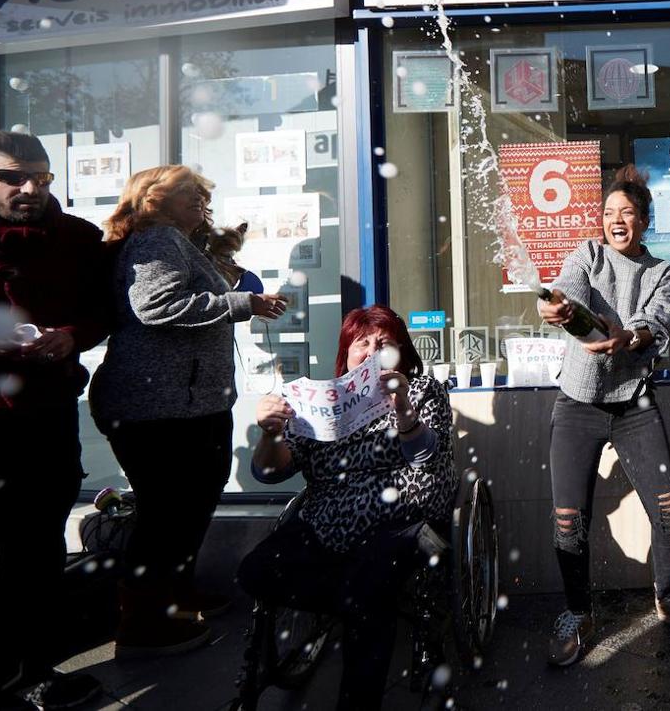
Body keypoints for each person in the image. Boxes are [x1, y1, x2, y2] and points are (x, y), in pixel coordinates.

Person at [90, 166, 285, 657]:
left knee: (191, 501)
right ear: (155, 200)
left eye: (202, 194)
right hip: (155, 406)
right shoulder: (157, 240)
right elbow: (155, 305)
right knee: (166, 513)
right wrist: (243, 303)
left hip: (185, 403)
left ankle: (176, 595)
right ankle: (142, 625)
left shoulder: (174, 240)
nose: (201, 201)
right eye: (189, 195)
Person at [238, 305, 455, 711]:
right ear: (347, 354)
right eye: (362, 344)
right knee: (254, 571)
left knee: (369, 589)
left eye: (384, 344)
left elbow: (425, 454)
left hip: (400, 520)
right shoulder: (323, 400)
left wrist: (402, 406)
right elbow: (270, 472)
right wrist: (270, 434)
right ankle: (353, 601)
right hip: (326, 521)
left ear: (401, 355)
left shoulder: (422, 390)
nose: (372, 352)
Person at [536, 164, 670, 667]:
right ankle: (576, 612)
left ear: (643, 221)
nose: (617, 220)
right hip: (578, 404)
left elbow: (656, 321)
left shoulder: (661, 272)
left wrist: (629, 336)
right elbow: (567, 289)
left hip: (634, 401)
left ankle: (668, 595)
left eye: (627, 213)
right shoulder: (586, 255)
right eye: (610, 212)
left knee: (669, 510)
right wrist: (560, 307)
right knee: (569, 519)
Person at [0, 131, 111, 710]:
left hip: (42, 420)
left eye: (43, 178)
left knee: (35, 555)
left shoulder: (76, 239)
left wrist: (72, 336)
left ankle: (29, 676)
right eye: (14, 177)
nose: (31, 188)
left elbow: (100, 312)